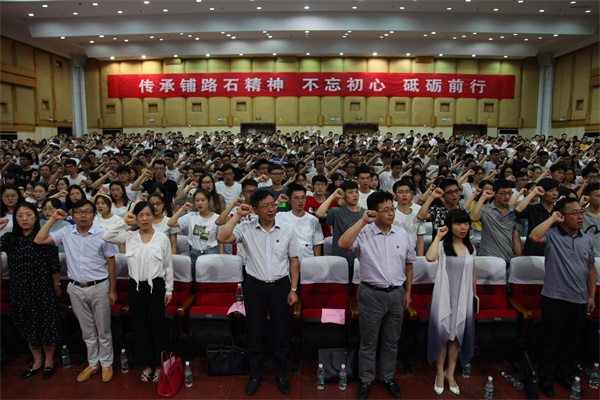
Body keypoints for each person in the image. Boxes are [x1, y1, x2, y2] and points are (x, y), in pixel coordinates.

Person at [217, 188, 300, 397]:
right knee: (254, 332)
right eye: (266, 206)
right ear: (255, 209)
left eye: (273, 204)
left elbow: (294, 261)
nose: (271, 209)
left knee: (281, 332)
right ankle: (255, 374)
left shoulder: (287, 229)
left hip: (281, 286)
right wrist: (238, 214)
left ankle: (280, 373)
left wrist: (293, 289)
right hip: (254, 287)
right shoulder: (245, 228)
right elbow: (222, 237)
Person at [338, 191, 415, 400]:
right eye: (386, 210)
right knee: (368, 342)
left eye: (392, 209)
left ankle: (388, 377)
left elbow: (409, 264)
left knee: (391, 341)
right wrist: (362, 221)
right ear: (374, 212)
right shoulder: (364, 232)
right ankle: (366, 379)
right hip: (371, 294)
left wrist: (408, 292)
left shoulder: (401, 233)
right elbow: (343, 244)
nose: (391, 213)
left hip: (396, 293)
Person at [34, 199, 119, 383]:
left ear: (94, 215)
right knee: (87, 330)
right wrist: (53, 219)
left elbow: (111, 264)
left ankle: (106, 363)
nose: (83, 215)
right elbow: (39, 239)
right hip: (75, 288)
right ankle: (93, 363)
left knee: (103, 329)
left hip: (99, 286)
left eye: (87, 212)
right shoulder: (66, 232)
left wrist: (113, 290)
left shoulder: (103, 235)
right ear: (73, 214)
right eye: (79, 212)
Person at [529, 198, 597, 397]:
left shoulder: (587, 240)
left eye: (581, 212)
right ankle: (546, 377)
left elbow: (591, 270)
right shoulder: (552, 236)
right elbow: (534, 236)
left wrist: (591, 296)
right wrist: (552, 219)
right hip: (555, 299)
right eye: (574, 213)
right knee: (551, 342)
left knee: (571, 342)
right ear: (562, 216)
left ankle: (564, 374)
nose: (580, 216)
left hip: (579, 300)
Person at [103, 202, 174, 384]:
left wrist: (169, 289)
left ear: (153, 216)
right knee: (139, 326)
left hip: (156, 287)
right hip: (135, 287)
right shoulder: (130, 237)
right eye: (140, 215)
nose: (144, 218)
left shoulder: (161, 238)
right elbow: (107, 236)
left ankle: (159, 364)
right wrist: (123, 220)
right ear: (135, 217)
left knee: (157, 326)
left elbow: (168, 266)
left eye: (148, 214)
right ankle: (147, 364)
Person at [0, 202, 63, 380]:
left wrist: (56, 285)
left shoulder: (42, 237)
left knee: (47, 324)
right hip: (19, 289)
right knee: (27, 324)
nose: (24, 219)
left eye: (28, 215)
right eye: (20, 216)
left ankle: (49, 360)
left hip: (43, 287)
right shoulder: (9, 239)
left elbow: (54, 265)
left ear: (36, 216)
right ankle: (37, 360)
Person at [425, 209, 476, 396]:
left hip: (463, 298)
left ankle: (451, 373)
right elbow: (430, 258)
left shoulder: (470, 247)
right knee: (443, 335)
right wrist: (438, 236)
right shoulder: (442, 246)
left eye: (466, 223)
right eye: (458, 223)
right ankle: (439, 373)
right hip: (444, 297)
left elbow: (473, 273)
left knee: (457, 336)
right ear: (449, 225)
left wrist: (474, 295)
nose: (463, 227)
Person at [168, 189, 223, 278]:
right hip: (194, 253)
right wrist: (183, 209)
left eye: (203, 200)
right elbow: (171, 223)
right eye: (197, 200)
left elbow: (221, 241)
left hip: (211, 253)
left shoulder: (217, 218)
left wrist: (221, 258)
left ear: (209, 201)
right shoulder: (191, 216)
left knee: (210, 280)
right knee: (194, 280)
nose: (199, 203)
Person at [316, 181, 365, 276]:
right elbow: (320, 213)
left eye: (356, 192)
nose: (355, 195)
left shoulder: (365, 214)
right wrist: (334, 195)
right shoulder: (337, 212)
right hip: (340, 260)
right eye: (350, 192)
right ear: (343, 195)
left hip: (360, 260)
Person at [470, 179, 522, 266]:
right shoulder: (486, 209)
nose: (507, 196)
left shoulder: (514, 213)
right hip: (488, 258)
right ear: (494, 194)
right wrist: (483, 197)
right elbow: (473, 217)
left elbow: (516, 238)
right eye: (503, 193)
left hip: (508, 258)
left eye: (509, 193)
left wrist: (519, 258)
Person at [276, 184, 324, 260]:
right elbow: (262, 217)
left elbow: (317, 244)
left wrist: (316, 262)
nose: (300, 201)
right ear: (289, 200)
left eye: (303, 197)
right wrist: (278, 202)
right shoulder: (282, 216)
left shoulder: (313, 220)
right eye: (296, 198)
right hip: (289, 262)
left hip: (309, 260)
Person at [392, 180, 425, 256]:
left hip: (412, 253)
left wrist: (420, 258)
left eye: (407, 192)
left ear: (411, 194)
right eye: (400, 192)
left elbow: (420, 239)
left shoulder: (417, 213)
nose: (404, 195)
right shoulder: (391, 213)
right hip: (393, 253)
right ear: (395, 195)